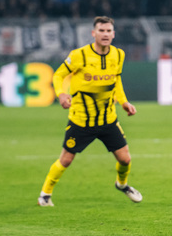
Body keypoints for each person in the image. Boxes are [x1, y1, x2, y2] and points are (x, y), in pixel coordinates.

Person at [38, 16, 142, 207]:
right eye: (101, 31)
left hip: (108, 119)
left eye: (108, 30)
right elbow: (59, 74)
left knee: (125, 159)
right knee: (66, 160)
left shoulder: (118, 55)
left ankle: (122, 184)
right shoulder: (79, 55)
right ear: (93, 33)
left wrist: (124, 102)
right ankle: (45, 194)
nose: (105, 34)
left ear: (113, 34)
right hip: (81, 121)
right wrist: (61, 94)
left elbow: (116, 79)